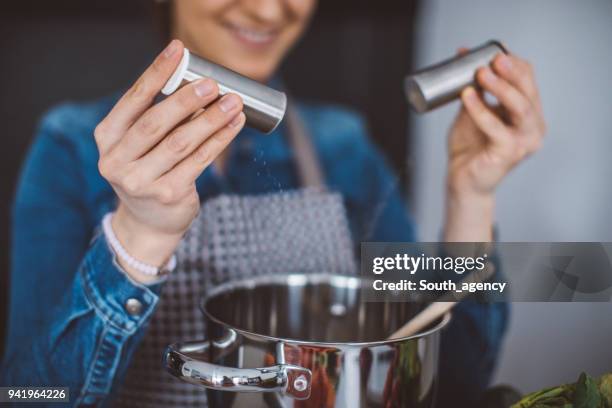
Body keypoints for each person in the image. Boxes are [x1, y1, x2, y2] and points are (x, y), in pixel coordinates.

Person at [1, 0, 546, 406]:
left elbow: (453, 381)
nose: (268, 10)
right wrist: (139, 239)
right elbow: (31, 396)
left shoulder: (345, 146)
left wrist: (471, 195)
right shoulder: (72, 146)